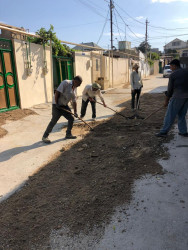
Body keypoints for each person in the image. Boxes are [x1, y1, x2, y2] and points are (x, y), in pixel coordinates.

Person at [42, 76, 83, 143]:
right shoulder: (65, 83)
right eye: (79, 84)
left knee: (71, 119)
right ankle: (45, 136)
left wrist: (75, 112)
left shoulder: (74, 88)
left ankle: (68, 134)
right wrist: (56, 103)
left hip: (64, 105)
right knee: (53, 121)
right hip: (57, 106)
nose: (79, 85)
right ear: (75, 81)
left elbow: (74, 101)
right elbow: (57, 93)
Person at [156, 59, 188, 138]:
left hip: (178, 97)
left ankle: (164, 132)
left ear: (174, 65)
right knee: (182, 115)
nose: (170, 68)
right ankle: (183, 131)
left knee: (170, 115)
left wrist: (166, 101)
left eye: (170, 66)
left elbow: (169, 90)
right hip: (187, 98)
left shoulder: (173, 75)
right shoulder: (186, 72)